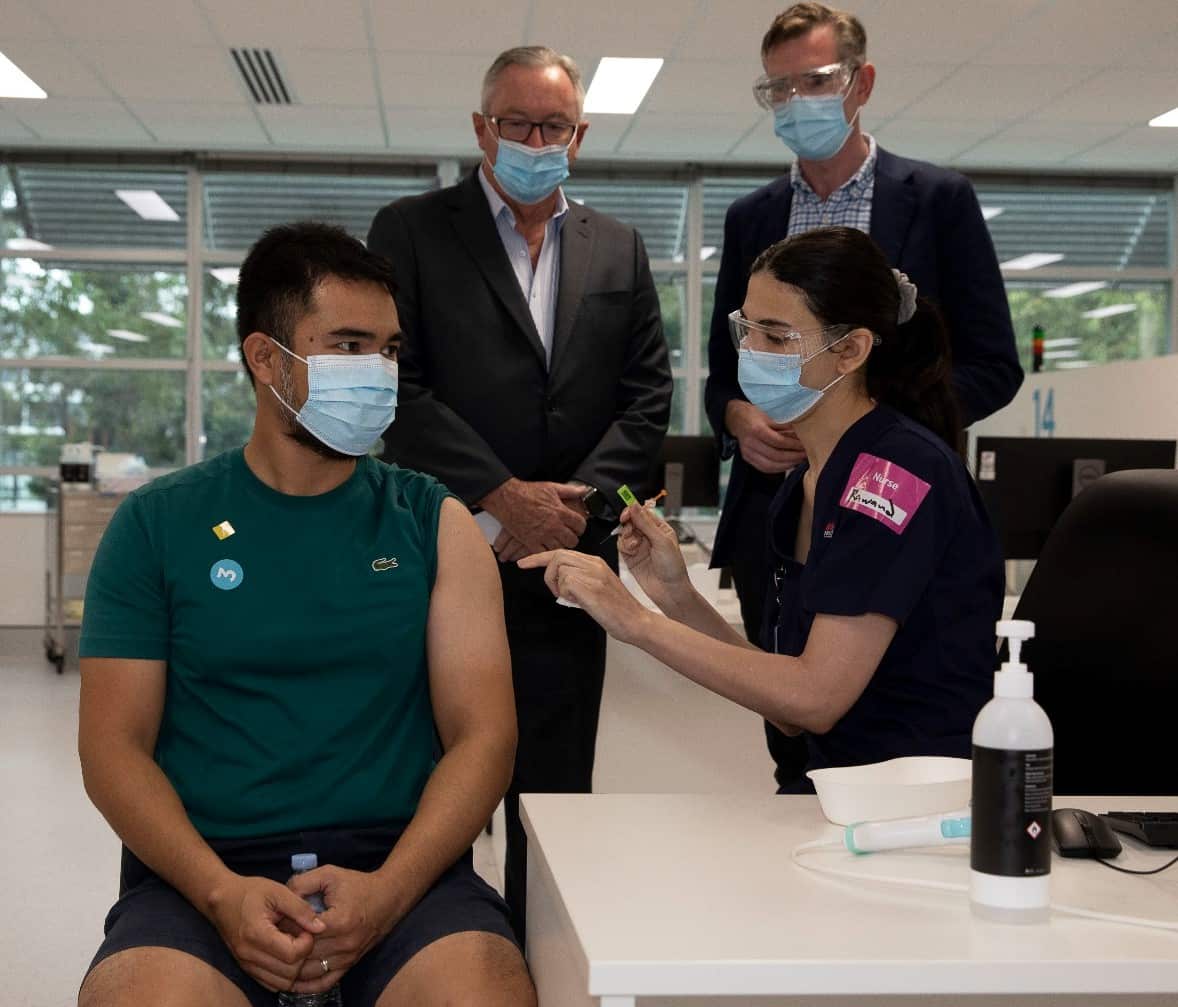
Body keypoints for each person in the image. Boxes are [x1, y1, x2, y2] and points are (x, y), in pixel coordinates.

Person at [76, 223, 535, 1007]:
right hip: (205, 872)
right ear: (266, 358)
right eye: (350, 346)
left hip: (401, 867)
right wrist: (220, 892)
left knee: (483, 992)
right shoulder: (156, 525)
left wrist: (389, 891)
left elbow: (484, 736)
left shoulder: (435, 523)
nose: (379, 372)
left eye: (389, 350)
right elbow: (113, 749)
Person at [367, 47, 671, 938]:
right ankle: (437, 957)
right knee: (434, 790)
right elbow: (396, 385)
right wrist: (501, 496)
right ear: (480, 128)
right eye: (516, 124)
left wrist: (571, 510)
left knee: (556, 802)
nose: (536, 142)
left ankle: (539, 963)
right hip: (444, 554)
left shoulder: (617, 246)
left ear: (579, 134)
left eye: (554, 127)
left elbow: (647, 396)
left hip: (568, 572)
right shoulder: (412, 231)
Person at [523, 227, 1003, 792]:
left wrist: (633, 621)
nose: (750, 351)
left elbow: (814, 698)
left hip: (915, 804)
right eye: (746, 329)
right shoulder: (804, 482)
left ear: (851, 350)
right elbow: (788, 705)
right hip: (840, 793)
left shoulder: (892, 474)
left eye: (775, 336)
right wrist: (676, 597)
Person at [704, 3, 1021, 779]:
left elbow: (992, 362)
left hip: (884, 500)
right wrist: (744, 416)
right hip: (781, 496)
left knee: (856, 700)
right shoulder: (752, 217)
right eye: (778, 89)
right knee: (795, 744)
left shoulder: (937, 199)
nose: (796, 102)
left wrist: (867, 428)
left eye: (814, 81)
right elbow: (725, 368)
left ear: (861, 83)